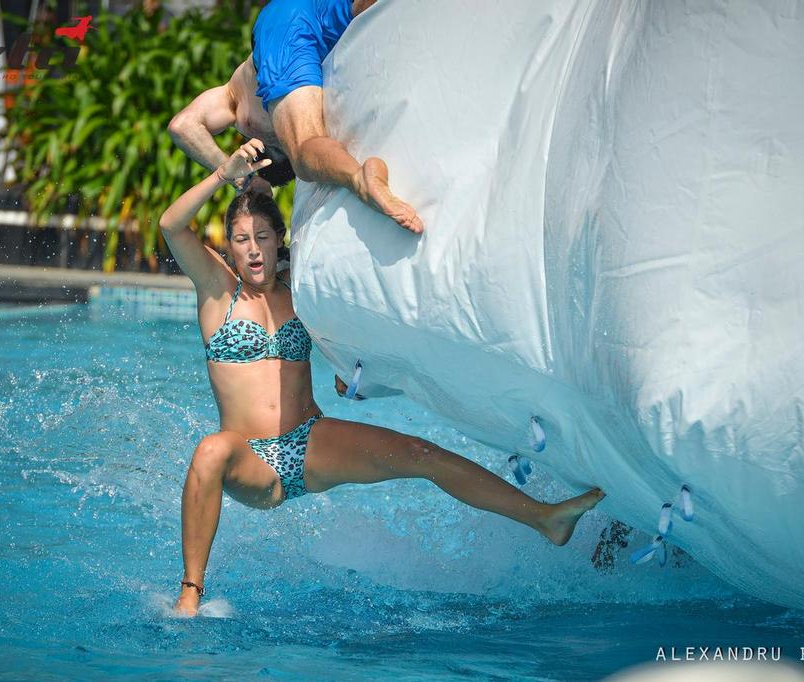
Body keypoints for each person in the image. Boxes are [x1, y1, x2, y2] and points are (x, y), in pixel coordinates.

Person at [159, 139, 606, 616]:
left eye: (263, 238)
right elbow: (170, 224)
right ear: (229, 244)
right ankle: (191, 590)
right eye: (241, 240)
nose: (252, 251)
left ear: (278, 239)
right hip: (249, 457)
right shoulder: (216, 289)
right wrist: (225, 175)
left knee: (420, 453)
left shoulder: (302, 288)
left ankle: (544, 518)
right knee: (210, 450)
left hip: (309, 442)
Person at [167, 0, 423, 234]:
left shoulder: (234, 103)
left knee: (304, 151)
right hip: (311, 16)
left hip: (281, 31)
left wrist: (242, 179)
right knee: (367, 8)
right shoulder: (250, 106)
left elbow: (182, 126)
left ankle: (359, 179)